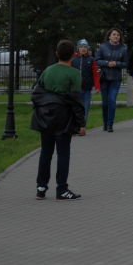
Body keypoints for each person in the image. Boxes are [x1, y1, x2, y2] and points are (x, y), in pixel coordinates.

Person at [30, 39, 87, 201]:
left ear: (56, 54)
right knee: (63, 154)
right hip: (63, 118)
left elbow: (37, 93)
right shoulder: (75, 74)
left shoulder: (47, 71)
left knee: (45, 152)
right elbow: (76, 102)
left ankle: (41, 188)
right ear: (74, 56)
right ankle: (62, 189)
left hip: (46, 117)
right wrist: (81, 124)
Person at [95, 28, 128, 133]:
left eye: (118, 35)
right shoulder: (102, 47)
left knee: (112, 100)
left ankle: (110, 124)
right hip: (104, 78)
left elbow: (126, 63)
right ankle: (105, 122)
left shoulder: (123, 49)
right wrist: (107, 63)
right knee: (105, 102)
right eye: (114, 34)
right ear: (109, 36)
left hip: (116, 79)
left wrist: (117, 64)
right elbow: (97, 60)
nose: (116, 36)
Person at [72, 40, 100, 126]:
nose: (83, 49)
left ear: (87, 49)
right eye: (81, 47)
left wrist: (97, 86)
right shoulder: (73, 59)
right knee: (75, 108)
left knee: (85, 109)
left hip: (86, 88)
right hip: (75, 89)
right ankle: (76, 126)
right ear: (78, 48)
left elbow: (95, 74)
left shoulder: (91, 60)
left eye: (85, 47)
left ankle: (82, 127)